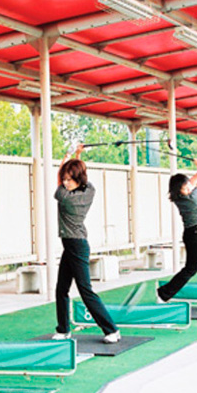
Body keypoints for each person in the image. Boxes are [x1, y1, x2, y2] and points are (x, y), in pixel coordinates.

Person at [53, 145, 121, 344]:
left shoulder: (65, 198)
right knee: (61, 289)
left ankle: (112, 330)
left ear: (77, 180)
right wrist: (77, 156)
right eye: (65, 179)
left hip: (75, 245)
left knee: (85, 290)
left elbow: (58, 181)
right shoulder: (90, 190)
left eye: (69, 180)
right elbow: (81, 172)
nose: (65, 183)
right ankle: (64, 329)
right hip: (73, 245)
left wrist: (64, 161)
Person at [156, 158, 197, 311]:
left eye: (188, 185)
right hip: (195, 234)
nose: (188, 188)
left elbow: (193, 182)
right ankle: (164, 293)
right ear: (179, 191)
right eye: (184, 188)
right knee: (192, 268)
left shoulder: (183, 193)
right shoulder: (190, 200)